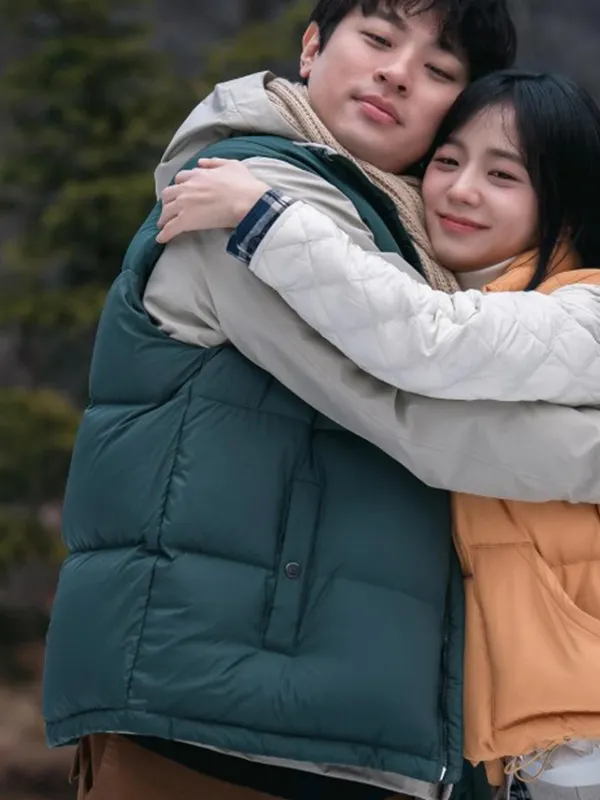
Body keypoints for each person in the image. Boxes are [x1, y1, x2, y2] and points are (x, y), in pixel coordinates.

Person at [41, 1, 600, 799]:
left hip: (341, 727)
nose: (397, 74)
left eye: (439, 70)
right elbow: (412, 409)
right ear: (311, 48)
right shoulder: (248, 191)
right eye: (377, 38)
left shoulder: (406, 233)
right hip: (211, 716)